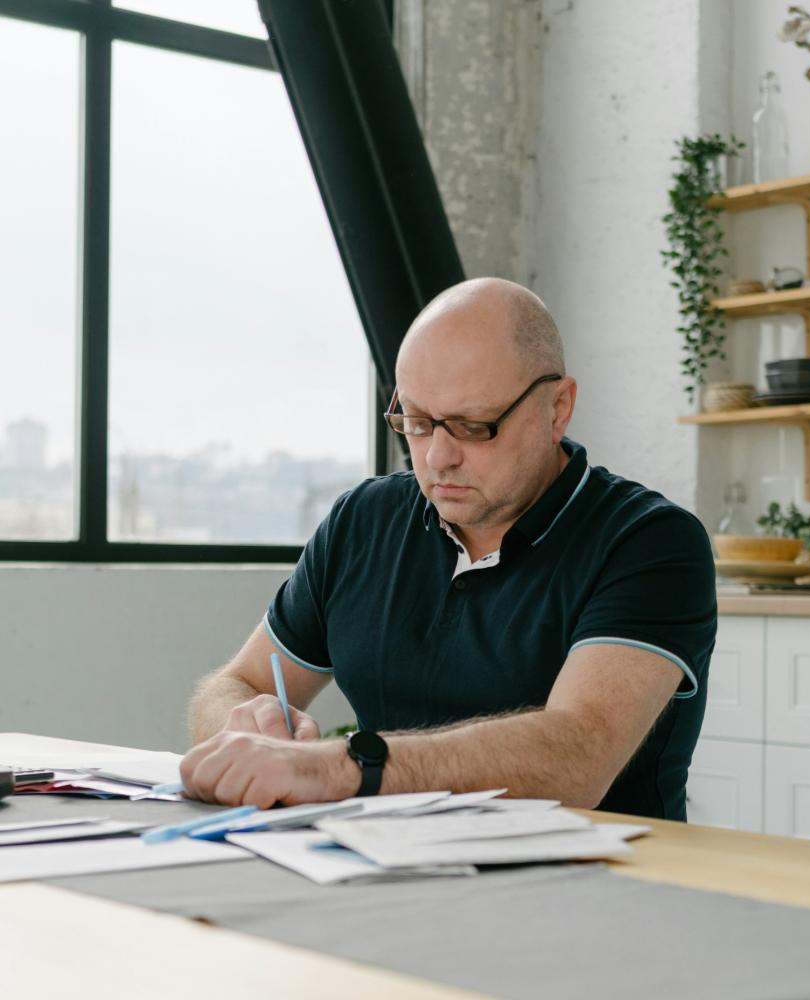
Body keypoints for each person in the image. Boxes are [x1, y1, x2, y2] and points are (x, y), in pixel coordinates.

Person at [182, 277, 716, 818]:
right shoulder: (362, 521)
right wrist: (247, 725)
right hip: (381, 865)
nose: (437, 457)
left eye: (472, 426)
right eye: (415, 422)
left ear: (558, 407)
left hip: (598, 880)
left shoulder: (649, 542)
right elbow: (239, 682)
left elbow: (577, 754)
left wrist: (339, 768)